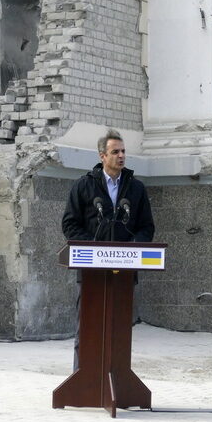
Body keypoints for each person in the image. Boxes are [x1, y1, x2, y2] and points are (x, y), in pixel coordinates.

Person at [61, 129, 155, 368]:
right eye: (115, 152)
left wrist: (133, 249)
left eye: (123, 151)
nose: (121, 156)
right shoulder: (84, 186)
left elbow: (146, 226)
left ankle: (118, 377)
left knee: (120, 327)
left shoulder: (136, 188)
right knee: (88, 326)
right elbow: (70, 224)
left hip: (124, 270)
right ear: (102, 155)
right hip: (92, 270)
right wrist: (93, 248)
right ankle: (81, 379)